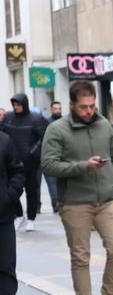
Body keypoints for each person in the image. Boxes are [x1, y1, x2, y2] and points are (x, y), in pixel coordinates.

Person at [40, 82, 113, 295]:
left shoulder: (104, 125)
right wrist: (82, 166)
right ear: (72, 105)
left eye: (92, 106)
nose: (89, 111)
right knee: (80, 257)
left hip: (106, 200)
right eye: (83, 107)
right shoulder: (57, 129)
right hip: (75, 202)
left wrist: (111, 176)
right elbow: (48, 165)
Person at [6, 94, 48, 232]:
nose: (16, 107)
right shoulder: (9, 118)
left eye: (18, 104)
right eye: (14, 105)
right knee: (10, 189)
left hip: (30, 163)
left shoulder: (36, 119)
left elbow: (44, 138)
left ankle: (31, 219)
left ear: (24, 104)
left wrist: (32, 153)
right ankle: (19, 215)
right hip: (12, 162)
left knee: (31, 191)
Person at [0, 121, 24, 295]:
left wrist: (8, 197)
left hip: (2, 216)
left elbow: (17, 171)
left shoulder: (4, 140)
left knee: (6, 266)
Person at [45, 101, 63, 212]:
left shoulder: (65, 122)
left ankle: (61, 203)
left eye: (59, 108)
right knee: (52, 183)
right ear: (51, 109)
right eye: (55, 109)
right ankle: (55, 203)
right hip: (51, 156)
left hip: (64, 156)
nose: (57, 111)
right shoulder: (47, 123)